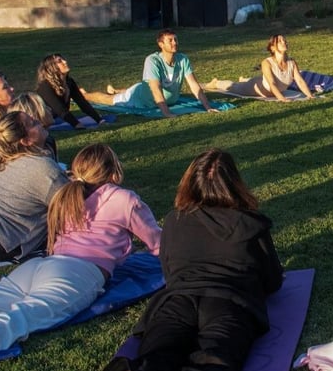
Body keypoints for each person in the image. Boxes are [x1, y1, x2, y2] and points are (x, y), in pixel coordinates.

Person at [0, 143, 161, 366]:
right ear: (115, 173)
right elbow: (157, 243)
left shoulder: (66, 195)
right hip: (77, 273)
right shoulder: (124, 199)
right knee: (17, 319)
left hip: (38, 266)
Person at [115, 148, 283, 371]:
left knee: (155, 357)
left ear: (190, 183)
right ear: (234, 183)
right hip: (230, 303)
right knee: (217, 357)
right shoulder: (250, 224)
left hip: (179, 299)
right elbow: (273, 281)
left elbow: (169, 272)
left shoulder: (174, 220)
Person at [0, 111, 68, 265]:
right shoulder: (44, 169)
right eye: (33, 123)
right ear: (25, 140)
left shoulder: (10, 161)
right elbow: (74, 208)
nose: (38, 121)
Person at [85, 29, 217, 118]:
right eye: (170, 40)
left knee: (127, 91)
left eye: (176, 40)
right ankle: (83, 95)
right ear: (161, 44)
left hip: (153, 94)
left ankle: (116, 90)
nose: (175, 43)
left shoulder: (183, 59)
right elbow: (155, 88)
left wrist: (207, 107)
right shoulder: (152, 60)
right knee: (108, 100)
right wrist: (166, 112)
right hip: (139, 99)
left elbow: (194, 85)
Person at [207, 34, 317, 101]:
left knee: (248, 81)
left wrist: (310, 95)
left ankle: (244, 79)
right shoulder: (266, 63)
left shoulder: (292, 63)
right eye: (280, 41)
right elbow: (272, 84)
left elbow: (299, 80)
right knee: (234, 87)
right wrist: (282, 99)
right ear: (272, 48)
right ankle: (216, 83)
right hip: (256, 88)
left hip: (269, 86)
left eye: (284, 40)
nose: (284, 42)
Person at [35, 53, 106, 128]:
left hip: (57, 117)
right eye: (59, 61)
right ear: (52, 67)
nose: (65, 62)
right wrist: (76, 124)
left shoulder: (69, 81)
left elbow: (82, 102)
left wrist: (99, 120)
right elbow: (59, 109)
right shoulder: (45, 86)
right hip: (42, 120)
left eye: (63, 59)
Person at [7, 92, 58, 161]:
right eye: (45, 107)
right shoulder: (27, 159)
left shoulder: (48, 141)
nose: (50, 109)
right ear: (35, 115)